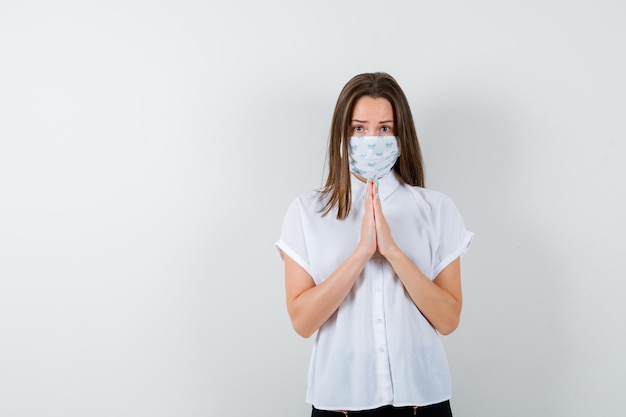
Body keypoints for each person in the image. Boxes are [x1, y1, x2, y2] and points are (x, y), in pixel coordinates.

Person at [275, 72, 473, 416]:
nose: (371, 139)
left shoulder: (436, 209)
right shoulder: (307, 212)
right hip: (340, 404)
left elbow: (448, 319)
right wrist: (362, 253)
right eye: (358, 128)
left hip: (420, 402)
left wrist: (393, 253)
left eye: (384, 129)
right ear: (343, 133)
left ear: (400, 135)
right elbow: (303, 322)